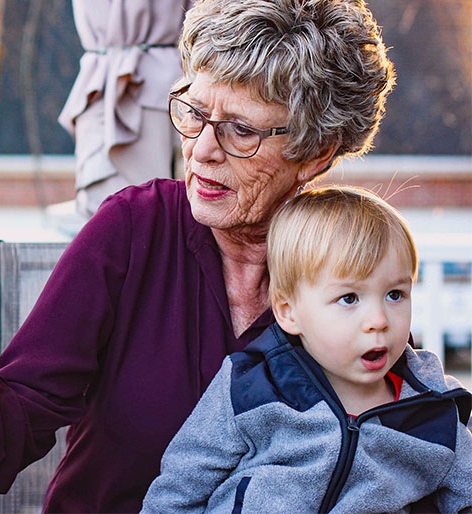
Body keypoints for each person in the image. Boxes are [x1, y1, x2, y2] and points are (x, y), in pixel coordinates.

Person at [0, 0, 401, 513]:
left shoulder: (356, 268)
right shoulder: (134, 231)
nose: (202, 150)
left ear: (315, 152)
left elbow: (395, 443)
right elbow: (15, 431)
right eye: (193, 111)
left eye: (241, 130)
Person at [142, 186, 472, 512]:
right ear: (288, 311)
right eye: (349, 299)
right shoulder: (253, 387)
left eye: (395, 294)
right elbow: (180, 488)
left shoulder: (434, 412)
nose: (379, 320)